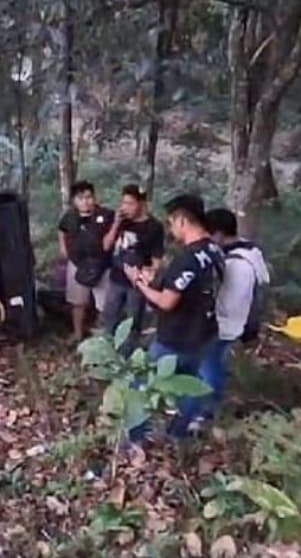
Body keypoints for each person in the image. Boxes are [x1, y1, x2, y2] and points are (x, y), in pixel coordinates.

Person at [122, 193, 223, 441]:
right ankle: (178, 435)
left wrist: (138, 282)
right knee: (188, 386)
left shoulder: (187, 258)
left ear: (181, 221)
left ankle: (135, 439)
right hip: (202, 334)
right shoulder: (214, 250)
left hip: (174, 338)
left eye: (171, 222)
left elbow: (167, 302)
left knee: (142, 384)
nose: (170, 228)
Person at [200, 207, 271, 420]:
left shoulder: (235, 264)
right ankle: (215, 405)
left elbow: (230, 300)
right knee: (217, 364)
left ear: (219, 234)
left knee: (209, 364)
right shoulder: (253, 253)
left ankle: (208, 410)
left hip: (227, 324)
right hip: (241, 323)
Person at [100, 184, 165, 356]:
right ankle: (107, 353)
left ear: (142, 204)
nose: (125, 207)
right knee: (110, 316)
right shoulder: (121, 222)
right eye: (124, 203)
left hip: (136, 283)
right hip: (116, 278)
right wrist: (115, 224)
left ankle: (127, 357)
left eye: (130, 203)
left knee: (133, 321)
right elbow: (106, 246)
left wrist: (148, 273)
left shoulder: (154, 227)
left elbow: (157, 258)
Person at [58, 181, 117, 341]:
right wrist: (63, 248)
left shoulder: (106, 215)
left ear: (94, 197)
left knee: (103, 304)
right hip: (77, 263)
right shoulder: (69, 216)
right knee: (77, 302)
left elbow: (111, 240)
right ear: (74, 200)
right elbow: (62, 230)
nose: (85, 201)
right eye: (81, 198)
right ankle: (77, 333)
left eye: (89, 197)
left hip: (101, 264)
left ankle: (102, 336)